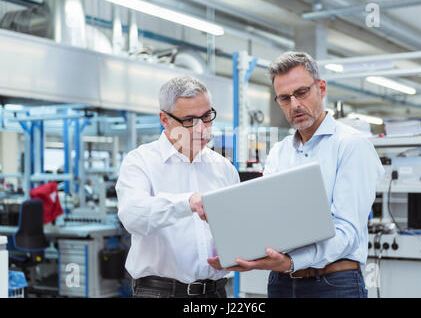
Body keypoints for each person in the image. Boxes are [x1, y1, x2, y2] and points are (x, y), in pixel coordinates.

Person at [208, 51, 384, 298]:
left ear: (321, 88)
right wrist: (241, 249)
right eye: (284, 98)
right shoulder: (279, 152)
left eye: (302, 92)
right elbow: (268, 220)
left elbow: (347, 232)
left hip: (333, 283)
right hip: (282, 284)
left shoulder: (351, 145)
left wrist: (291, 260)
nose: (295, 105)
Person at [116, 75, 240, 298]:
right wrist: (188, 202)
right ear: (165, 119)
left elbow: (235, 229)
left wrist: (233, 252)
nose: (202, 129)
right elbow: (133, 217)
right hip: (159, 292)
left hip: (215, 292)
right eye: (190, 120)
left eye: (207, 117)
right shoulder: (141, 162)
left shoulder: (224, 168)